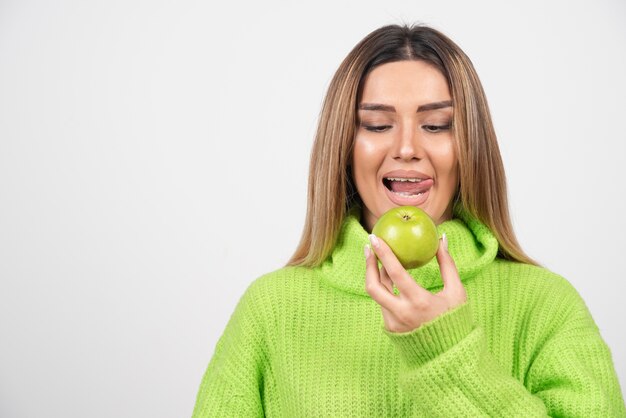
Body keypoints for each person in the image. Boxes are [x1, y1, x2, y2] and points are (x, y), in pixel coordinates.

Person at [191, 24, 626, 417]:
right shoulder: (271, 308)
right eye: (377, 125)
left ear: (471, 146)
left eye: (436, 126)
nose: (406, 147)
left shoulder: (546, 305)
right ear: (343, 145)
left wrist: (447, 349)